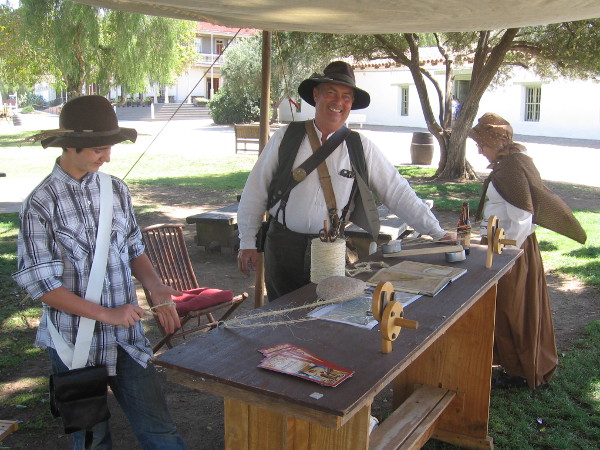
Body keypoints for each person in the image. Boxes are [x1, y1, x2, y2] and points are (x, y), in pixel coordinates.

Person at [12, 95, 187, 449]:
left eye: (109, 148)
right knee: (92, 440)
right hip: (74, 345)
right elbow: (42, 286)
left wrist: (154, 285)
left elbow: (134, 247)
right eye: (98, 150)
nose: (107, 157)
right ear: (70, 147)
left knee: (161, 432)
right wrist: (107, 314)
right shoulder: (40, 203)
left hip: (127, 341)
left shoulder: (116, 190)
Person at [237, 61, 453, 301]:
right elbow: (255, 191)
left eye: (346, 96)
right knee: (281, 314)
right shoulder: (285, 138)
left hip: (330, 248)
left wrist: (436, 232)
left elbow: (397, 192)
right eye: (331, 92)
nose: (338, 102)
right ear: (316, 94)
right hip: (282, 246)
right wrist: (247, 241)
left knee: (327, 315)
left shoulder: (360, 147)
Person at [469, 112, 587, 389]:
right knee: (508, 308)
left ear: (496, 142)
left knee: (514, 309)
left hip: (512, 248)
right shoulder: (511, 162)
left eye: (482, 144)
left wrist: (506, 252)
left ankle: (523, 371)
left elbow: (523, 214)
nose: (479, 150)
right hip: (508, 244)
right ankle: (513, 365)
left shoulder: (511, 168)